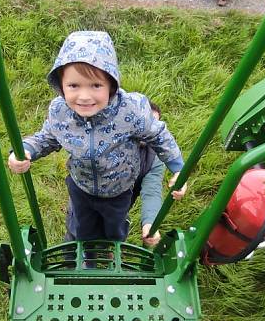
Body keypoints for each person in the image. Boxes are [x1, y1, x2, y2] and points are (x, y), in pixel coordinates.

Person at [7, 31, 187, 242]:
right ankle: (81, 248)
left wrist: (178, 168)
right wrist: (24, 149)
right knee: (81, 227)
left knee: (114, 228)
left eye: (96, 85)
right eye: (74, 86)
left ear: (111, 84)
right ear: (61, 85)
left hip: (118, 191)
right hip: (81, 185)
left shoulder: (129, 111)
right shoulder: (61, 111)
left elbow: (159, 136)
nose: (84, 96)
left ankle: (110, 248)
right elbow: (48, 137)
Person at [64, 101, 184, 246]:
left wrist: (149, 222)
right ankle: (72, 256)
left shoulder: (153, 157)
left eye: (152, 127)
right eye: (143, 125)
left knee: (114, 232)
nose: (146, 132)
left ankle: (106, 249)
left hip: (118, 204)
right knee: (77, 227)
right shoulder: (106, 137)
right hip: (85, 196)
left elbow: (152, 190)